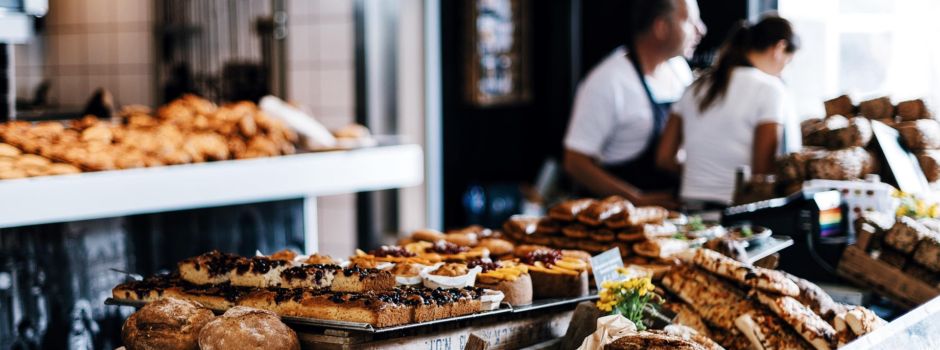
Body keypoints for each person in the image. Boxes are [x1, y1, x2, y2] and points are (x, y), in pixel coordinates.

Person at [563, 0, 706, 208]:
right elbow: (575, 162)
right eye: (690, 21)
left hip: (671, 212)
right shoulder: (608, 81)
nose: (701, 30)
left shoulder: (679, 70)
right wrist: (636, 200)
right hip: (618, 216)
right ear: (661, 27)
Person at [655, 15, 800, 209]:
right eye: (788, 62)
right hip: (736, 211)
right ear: (780, 48)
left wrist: (702, 175)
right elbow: (762, 173)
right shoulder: (771, 89)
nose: (783, 70)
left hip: (690, 208)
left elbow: (664, 158)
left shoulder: (695, 87)